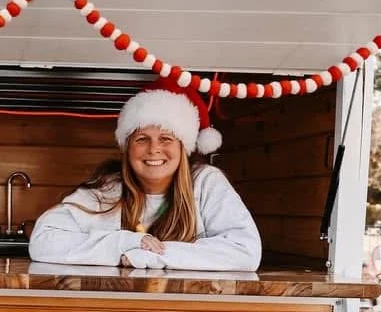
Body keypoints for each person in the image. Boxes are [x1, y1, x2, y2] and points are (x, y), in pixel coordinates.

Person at [29, 81, 261, 270]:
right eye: (142, 139)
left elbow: (245, 251)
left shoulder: (205, 182)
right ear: (127, 148)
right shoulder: (108, 188)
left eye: (166, 139)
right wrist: (127, 242)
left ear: (183, 148)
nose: (153, 149)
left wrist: (153, 256)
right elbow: (42, 241)